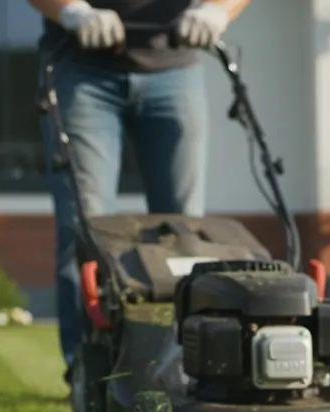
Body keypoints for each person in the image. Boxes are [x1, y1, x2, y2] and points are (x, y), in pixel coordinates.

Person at [27, 0, 251, 384]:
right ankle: (89, 375)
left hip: (175, 71)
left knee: (184, 232)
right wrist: (71, 11)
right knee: (85, 228)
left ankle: (186, 365)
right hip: (82, 69)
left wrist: (217, 9)